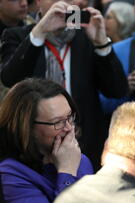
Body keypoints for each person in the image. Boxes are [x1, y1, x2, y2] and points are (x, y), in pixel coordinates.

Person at [0, 0, 128, 169]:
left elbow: (117, 90)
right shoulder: (19, 36)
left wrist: (102, 43)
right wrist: (40, 32)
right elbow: (10, 78)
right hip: (32, 145)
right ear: (38, 2)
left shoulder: (87, 37)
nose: (62, 4)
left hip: (83, 144)